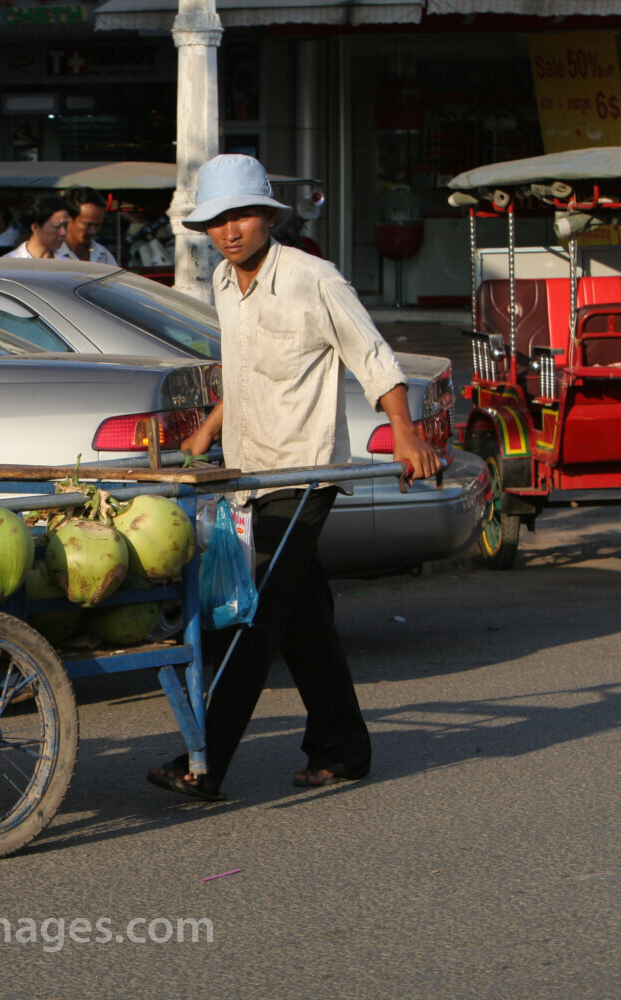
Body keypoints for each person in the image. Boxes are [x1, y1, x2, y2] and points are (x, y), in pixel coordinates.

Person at [145, 154, 439, 801]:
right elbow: (246, 366)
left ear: (268, 217)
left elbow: (371, 354)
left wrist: (407, 432)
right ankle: (343, 748)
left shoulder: (313, 279)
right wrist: (210, 427)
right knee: (303, 617)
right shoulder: (224, 282)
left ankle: (205, 761)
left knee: (248, 621)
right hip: (250, 475)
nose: (231, 231)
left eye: (242, 216)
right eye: (219, 220)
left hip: (303, 478)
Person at [58, 186, 117, 265]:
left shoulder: (104, 256)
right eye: (88, 225)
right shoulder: (49, 254)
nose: (93, 231)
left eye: (98, 225)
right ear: (68, 218)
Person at [3, 195, 69, 259]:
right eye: (57, 226)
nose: (63, 233)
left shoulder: (67, 265)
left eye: (65, 225)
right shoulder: (10, 262)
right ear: (35, 227)